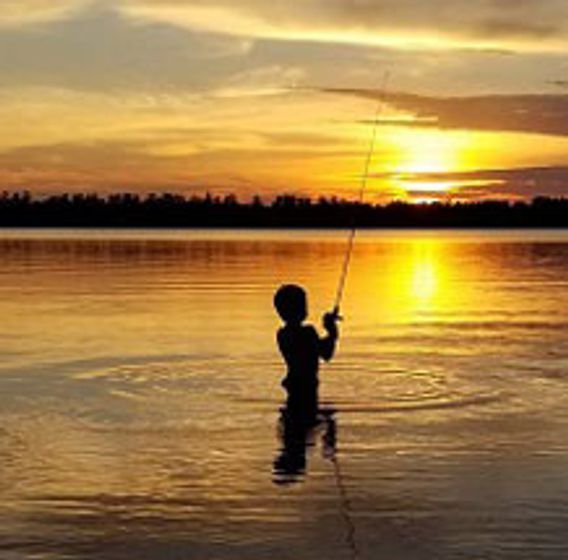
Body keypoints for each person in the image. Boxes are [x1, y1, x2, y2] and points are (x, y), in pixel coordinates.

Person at [273, 284, 340, 421]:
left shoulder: (282, 334)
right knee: (306, 419)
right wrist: (332, 331)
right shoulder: (308, 332)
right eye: (303, 304)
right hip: (307, 385)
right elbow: (326, 354)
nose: (306, 307)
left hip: (292, 383)